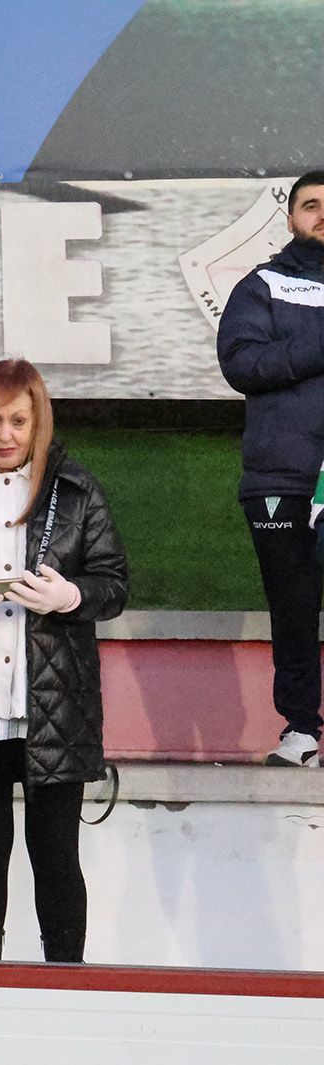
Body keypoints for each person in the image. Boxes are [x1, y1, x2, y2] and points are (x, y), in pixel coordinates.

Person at [0, 359, 128, 963]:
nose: (6, 434)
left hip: (55, 707)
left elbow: (113, 583)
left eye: (18, 421)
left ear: (38, 422)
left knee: (57, 856)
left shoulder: (79, 490)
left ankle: (66, 979)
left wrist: (72, 596)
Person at [217, 169, 324, 767]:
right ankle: (302, 730)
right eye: (311, 206)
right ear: (290, 218)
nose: (321, 215)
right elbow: (242, 363)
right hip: (282, 479)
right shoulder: (263, 285)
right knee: (293, 608)